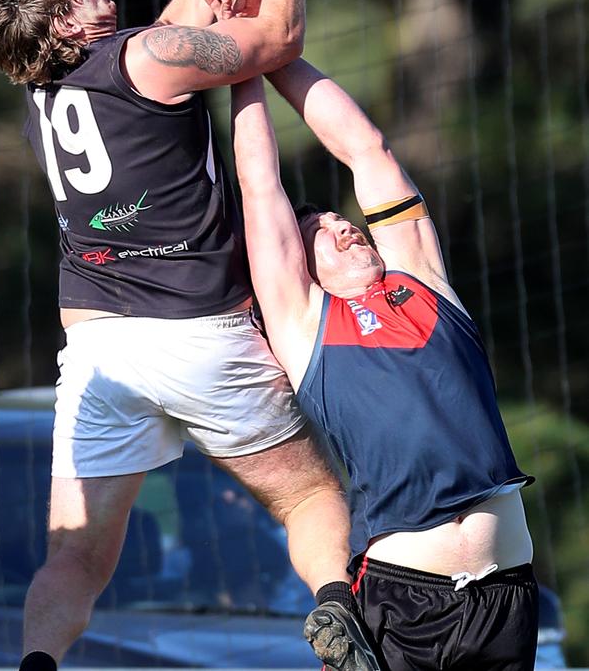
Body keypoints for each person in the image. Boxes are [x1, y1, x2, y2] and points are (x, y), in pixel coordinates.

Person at [0, 0, 376, 671]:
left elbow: (170, 38)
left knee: (74, 560)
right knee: (308, 498)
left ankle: (37, 667)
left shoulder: (54, 91)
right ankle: (342, 622)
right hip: (196, 330)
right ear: (62, 20)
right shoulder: (145, 58)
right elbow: (279, 35)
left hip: (98, 350)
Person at [230, 54, 539, 670]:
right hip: (405, 602)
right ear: (300, 264)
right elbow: (260, 182)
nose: (343, 225)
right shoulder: (305, 325)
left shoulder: (423, 282)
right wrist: (244, 60)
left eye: (344, 219)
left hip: (506, 596)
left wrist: (279, 55)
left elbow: (368, 150)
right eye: (320, 228)